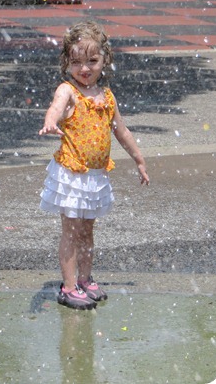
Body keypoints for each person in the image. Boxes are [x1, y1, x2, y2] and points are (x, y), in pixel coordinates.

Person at [39, 21, 150, 310]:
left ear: (105, 60)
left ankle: (85, 280)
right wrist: (51, 121)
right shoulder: (69, 91)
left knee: (88, 231)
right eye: (76, 62)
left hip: (95, 177)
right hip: (72, 174)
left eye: (92, 61)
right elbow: (55, 106)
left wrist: (138, 159)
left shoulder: (107, 97)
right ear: (67, 63)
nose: (84, 68)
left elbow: (122, 131)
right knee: (71, 231)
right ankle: (68, 287)